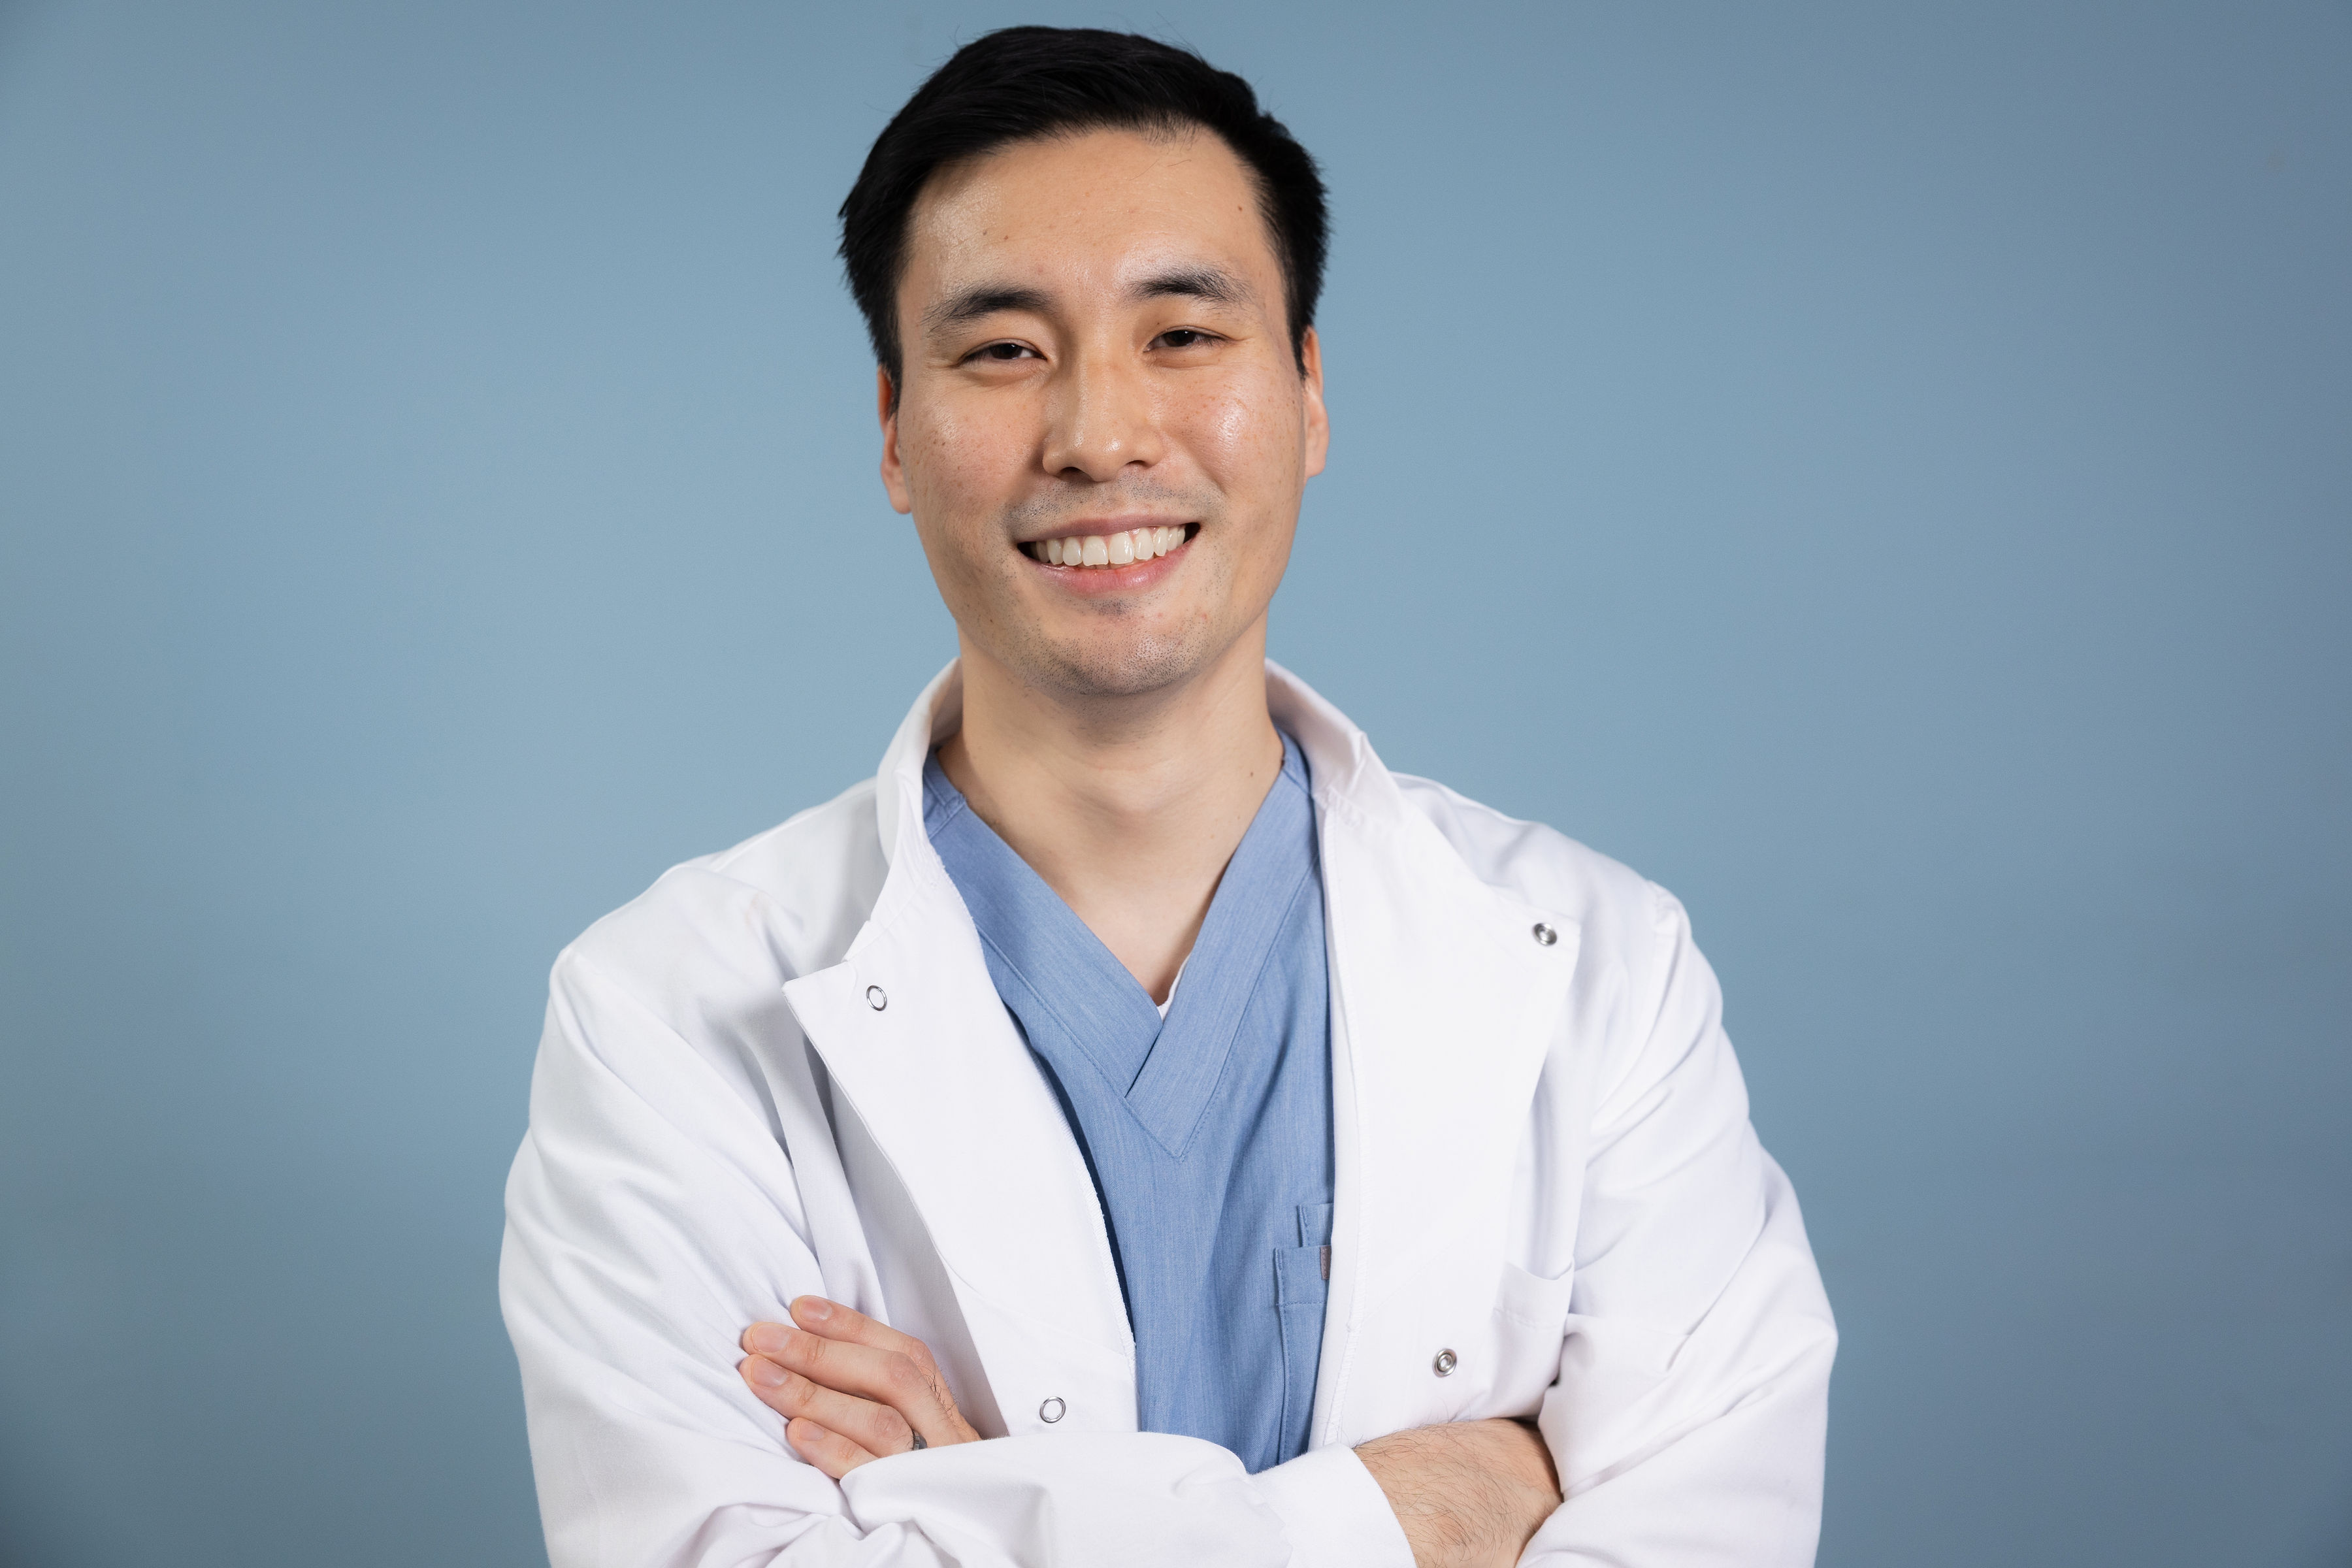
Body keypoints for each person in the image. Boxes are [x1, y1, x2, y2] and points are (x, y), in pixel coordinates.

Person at [499, 25, 1835, 1568]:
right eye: (1004, 350)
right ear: (891, 433)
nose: (1100, 435)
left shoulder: (1607, 973)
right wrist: (1424, 1507)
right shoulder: (667, 1016)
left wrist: (997, 1514)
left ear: (1311, 391)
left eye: (1184, 336)